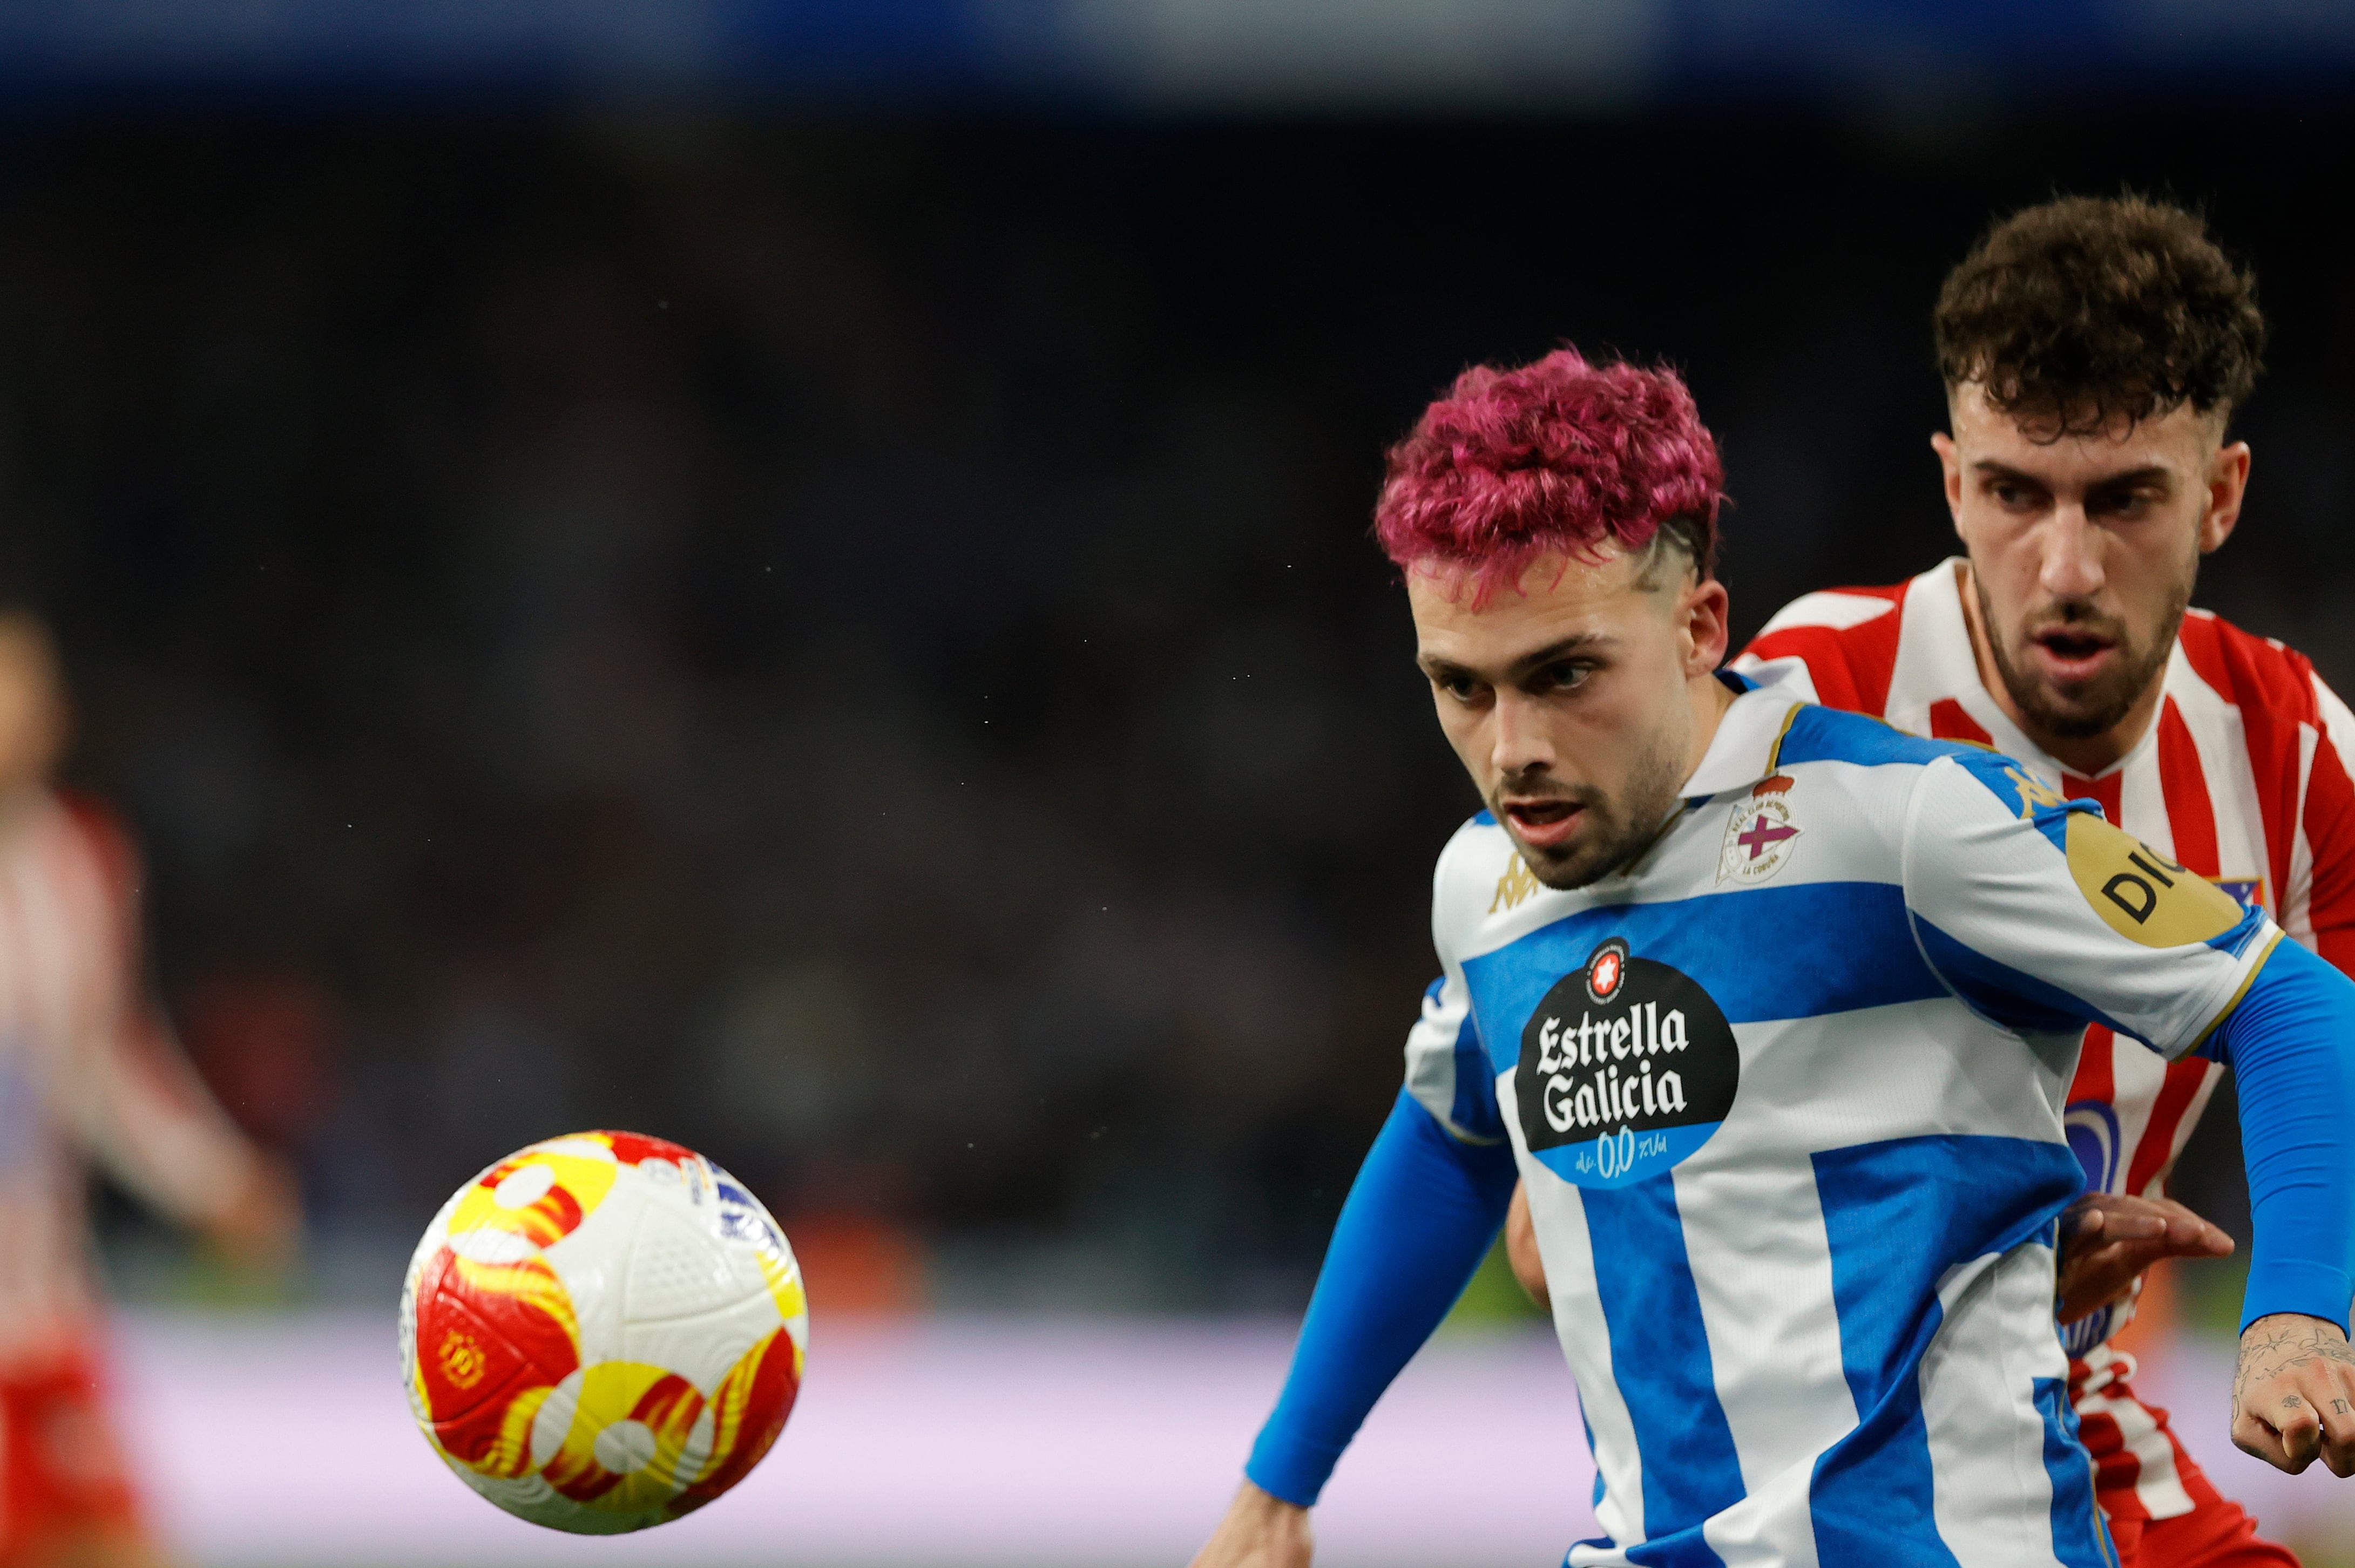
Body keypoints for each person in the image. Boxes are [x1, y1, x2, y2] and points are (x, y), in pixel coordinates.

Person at [1186, 347, 2355, 1568]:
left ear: (1699, 626)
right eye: (1461, 688)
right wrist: (1279, 1483)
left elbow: (2288, 998)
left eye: (1565, 674)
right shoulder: (1483, 886)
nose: (1513, 746)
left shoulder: (1906, 821)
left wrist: (2294, 1315)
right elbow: (1447, 1138)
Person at [1502, 194, 2342, 1566]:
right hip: (1835, 1451)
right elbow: (1562, 1237)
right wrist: (1952, 1253)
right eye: (2016, 494)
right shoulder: (1801, 706)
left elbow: (2329, 1057)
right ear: (1953, 487)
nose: (2067, 567)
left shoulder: (2300, 752)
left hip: (2073, 1402)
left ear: (2223, 495)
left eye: (2125, 498)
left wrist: (2304, 1310)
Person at [0, 613, 298, 1568]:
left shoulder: (79, 859)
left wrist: (213, 1178)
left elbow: (102, 1061)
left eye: (23, 692)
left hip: (44, 1304)